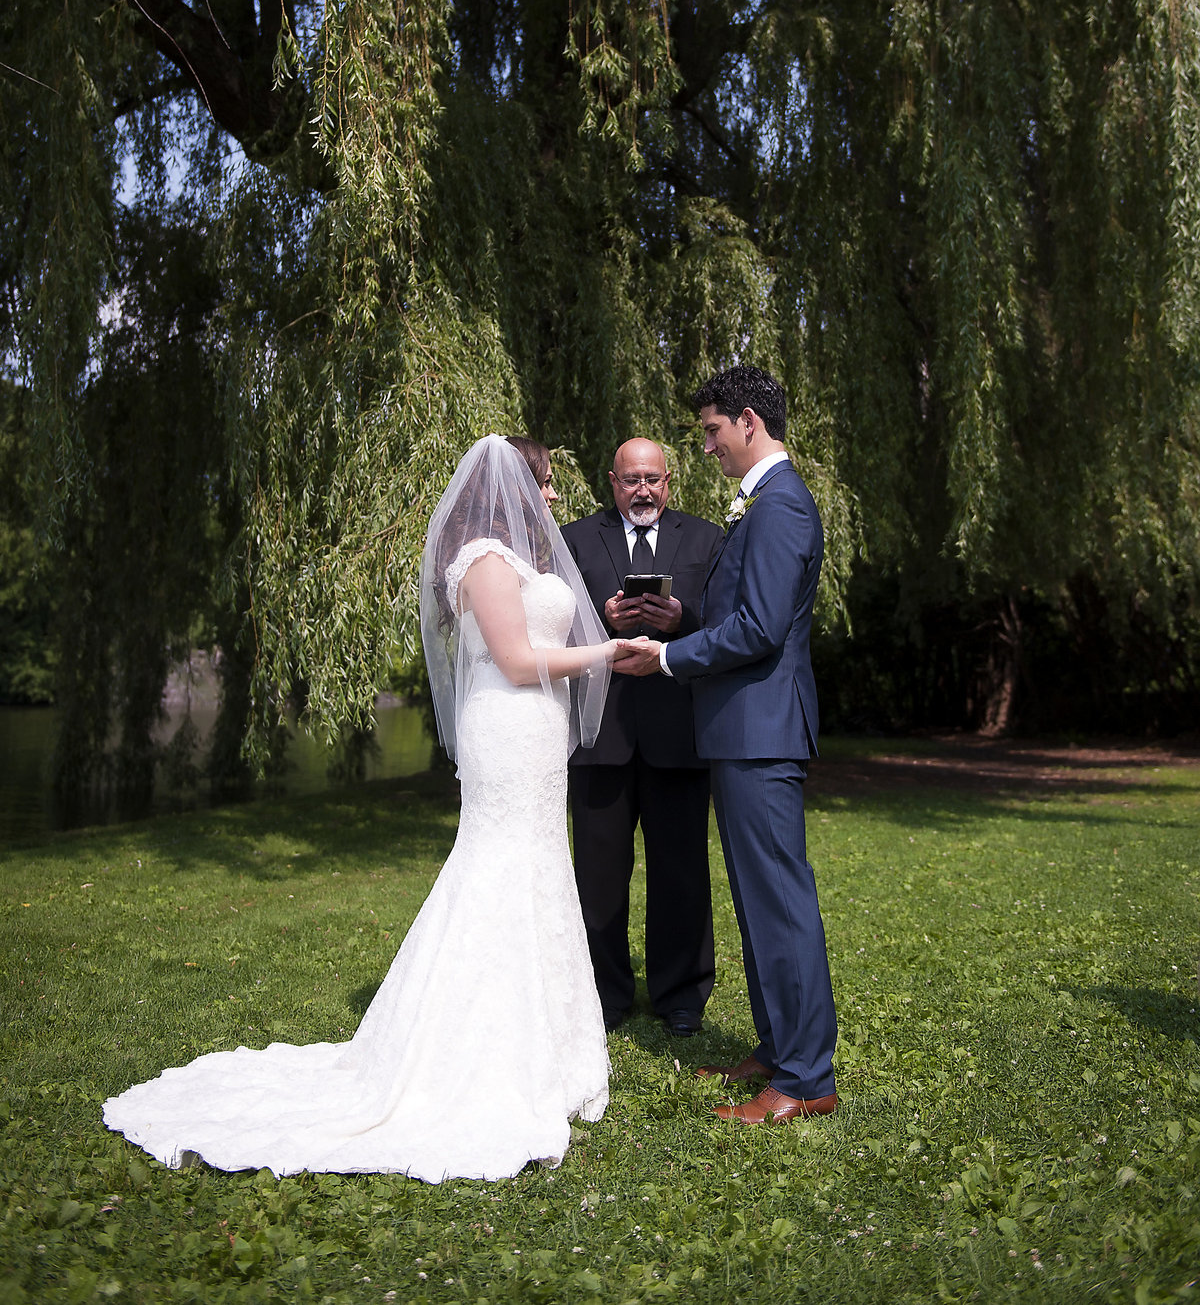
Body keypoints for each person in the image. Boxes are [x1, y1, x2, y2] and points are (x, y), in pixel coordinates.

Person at [103, 434, 619, 1180]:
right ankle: (478, 1053)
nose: (552, 500)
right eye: (546, 486)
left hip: (533, 736)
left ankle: (550, 1049)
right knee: (500, 867)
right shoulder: (484, 561)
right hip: (507, 730)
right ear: (513, 488)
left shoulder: (518, 564)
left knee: (537, 866)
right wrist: (607, 653)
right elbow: (514, 661)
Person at [613, 367, 838, 1123]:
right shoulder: (762, 506)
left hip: (762, 730)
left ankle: (807, 1078)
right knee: (756, 902)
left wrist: (669, 655)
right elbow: (739, 608)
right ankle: (777, 1047)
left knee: (780, 903)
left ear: (748, 420)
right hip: (743, 729)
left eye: (711, 431)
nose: (706, 446)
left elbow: (761, 629)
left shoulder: (780, 507)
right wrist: (685, 612)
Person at [562, 438, 722, 1035]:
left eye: (652, 478)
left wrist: (682, 620)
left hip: (678, 730)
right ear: (613, 482)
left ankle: (681, 995)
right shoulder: (576, 540)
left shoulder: (706, 538)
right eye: (631, 479)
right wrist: (600, 618)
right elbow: (553, 622)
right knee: (599, 873)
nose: (643, 490)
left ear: (669, 480)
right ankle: (603, 993)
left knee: (681, 869)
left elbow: (726, 619)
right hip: (601, 732)